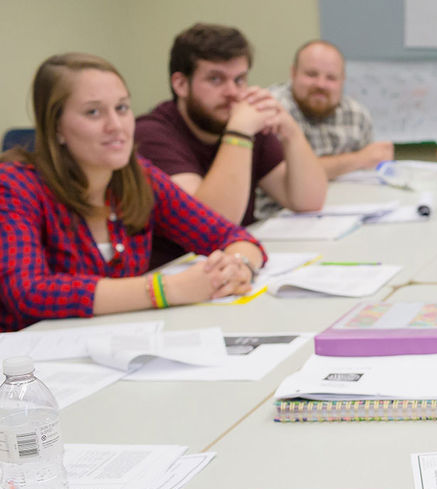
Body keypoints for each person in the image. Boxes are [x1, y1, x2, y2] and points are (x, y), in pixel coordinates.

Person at [0, 54, 266, 332]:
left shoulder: (138, 175)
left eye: (122, 108)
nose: (116, 125)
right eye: (93, 112)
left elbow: (231, 235)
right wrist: (164, 290)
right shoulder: (14, 186)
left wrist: (238, 268)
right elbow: (28, 291)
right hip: (31, 363)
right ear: (56, 127)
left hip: (117, 347)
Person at [135, 23, 325, 263]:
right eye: (216, 79)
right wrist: (239, 133)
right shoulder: (151, 134)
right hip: (178, 273)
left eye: (240, 79)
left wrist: (290, 131)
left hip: (237, 265)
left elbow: (308, 201)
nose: (233, 92)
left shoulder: (241, 121)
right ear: (181, 84)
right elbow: (210, 224)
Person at [268, 39, 394, 179]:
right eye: (311, 74)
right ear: (293, 73)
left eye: (331, 78)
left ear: (342, 80)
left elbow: (371, 170)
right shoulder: (271, 110)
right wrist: (359, 159)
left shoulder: (357, 116)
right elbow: (286, 175)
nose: (321, 84)